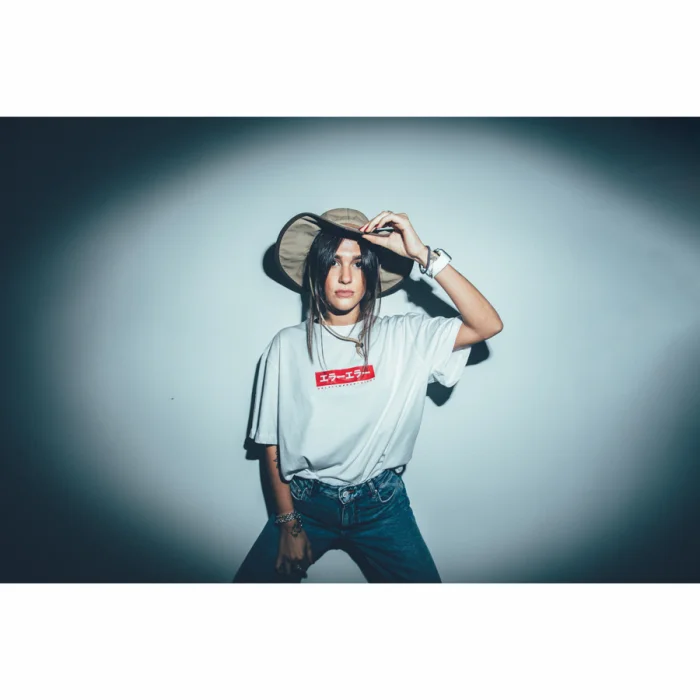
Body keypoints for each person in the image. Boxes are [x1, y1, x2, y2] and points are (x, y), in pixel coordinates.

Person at [233, 208, 503, 583]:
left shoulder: (406, 336)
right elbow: (270, 442)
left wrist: (423, 255)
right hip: (306, 505)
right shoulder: (286, 346)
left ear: (371, 273)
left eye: (358, 263)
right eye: (333, 262)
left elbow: (488, 324)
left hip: (382, 506)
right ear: (315, 272)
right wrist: (288, 524)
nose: (346, 276)